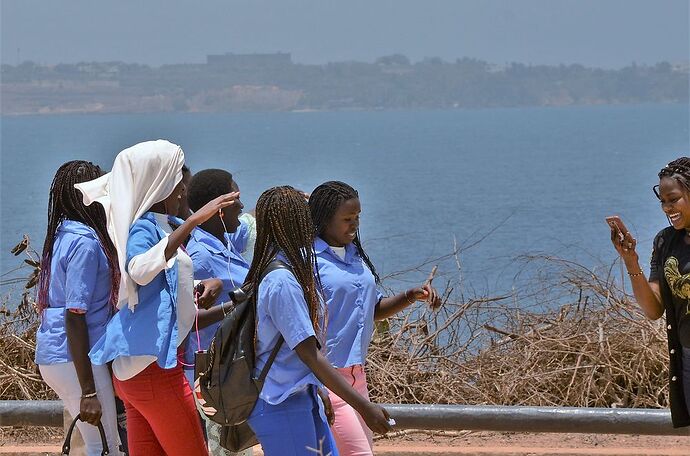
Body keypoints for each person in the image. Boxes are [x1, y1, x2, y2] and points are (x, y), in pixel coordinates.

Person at [76, 140, 239, 455]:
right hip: (155, 375)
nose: (183, 192)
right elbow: (138, 269)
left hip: (138, 375)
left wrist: (204, 283)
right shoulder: (143, 228)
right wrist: (193, 221)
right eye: (177, 182)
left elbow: (160, 278)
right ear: (159, 185)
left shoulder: (163, 227)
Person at [245, 186, 393, 456]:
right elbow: (310, 354)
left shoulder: (290, 272)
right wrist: (363, 406)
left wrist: (318, 390)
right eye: (306, 218)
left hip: (304, 396)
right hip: (281, 403)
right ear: (295, 224)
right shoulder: (282, 281)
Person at [308, 181, 441, 455]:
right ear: (323, 221)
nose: (354, 224)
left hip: (358, 377)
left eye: (357, 217)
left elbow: (372, 310)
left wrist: (410, 295)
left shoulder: (355, 255)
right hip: (326, 379)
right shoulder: (308, 261)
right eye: (346, 219)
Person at [34, 160, 124, 456]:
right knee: (106, 444)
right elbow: (75, 316)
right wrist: (89, 391)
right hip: (80, 357)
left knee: (95, 442)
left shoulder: (62, 234)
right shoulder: (85, 242)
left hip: (56, 355)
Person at [609, 157, 690, 428]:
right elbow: (654, 310)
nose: (668, 208)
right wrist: (630, 261)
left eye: (674, 199)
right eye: (663, 202)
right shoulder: (666, 241)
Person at [182, 169, 252, 456]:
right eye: (236, 198)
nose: (242, 206)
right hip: (215, 379)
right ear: (219, 208)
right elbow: (186, 319)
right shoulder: (201, 256)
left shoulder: (221, 242)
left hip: (231, 374)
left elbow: (251, 222)